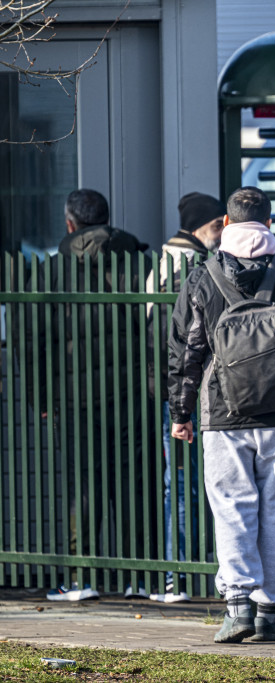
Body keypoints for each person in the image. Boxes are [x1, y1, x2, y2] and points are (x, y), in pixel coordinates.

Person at [167, 186, 275, 643]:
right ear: (270, 223)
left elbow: (186, 351)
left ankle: (237, 607)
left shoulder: (203, 276)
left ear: (226, 223)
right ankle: (269, 613)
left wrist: (182, 411)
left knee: (231, 507)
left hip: (223, 413)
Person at [45, 189, 152, 601]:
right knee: (133, 486)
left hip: (77, 398)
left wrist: (43, 398)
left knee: (85, 485)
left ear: (70, 223)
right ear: (108, 219)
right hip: (133, 396)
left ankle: (80, 578)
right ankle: (138, 576)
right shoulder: (139, 262)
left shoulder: (55, 270)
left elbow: (32, 339)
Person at [147, 191, 226, 603]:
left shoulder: (161, 266)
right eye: (217, 225)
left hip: (173, 393)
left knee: (182, 485)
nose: (222, 233)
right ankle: (180, 573)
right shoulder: (190, 269)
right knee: (184, 486)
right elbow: (178, 344)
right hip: (186, 396)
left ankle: (183, 572)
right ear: (204, 226)